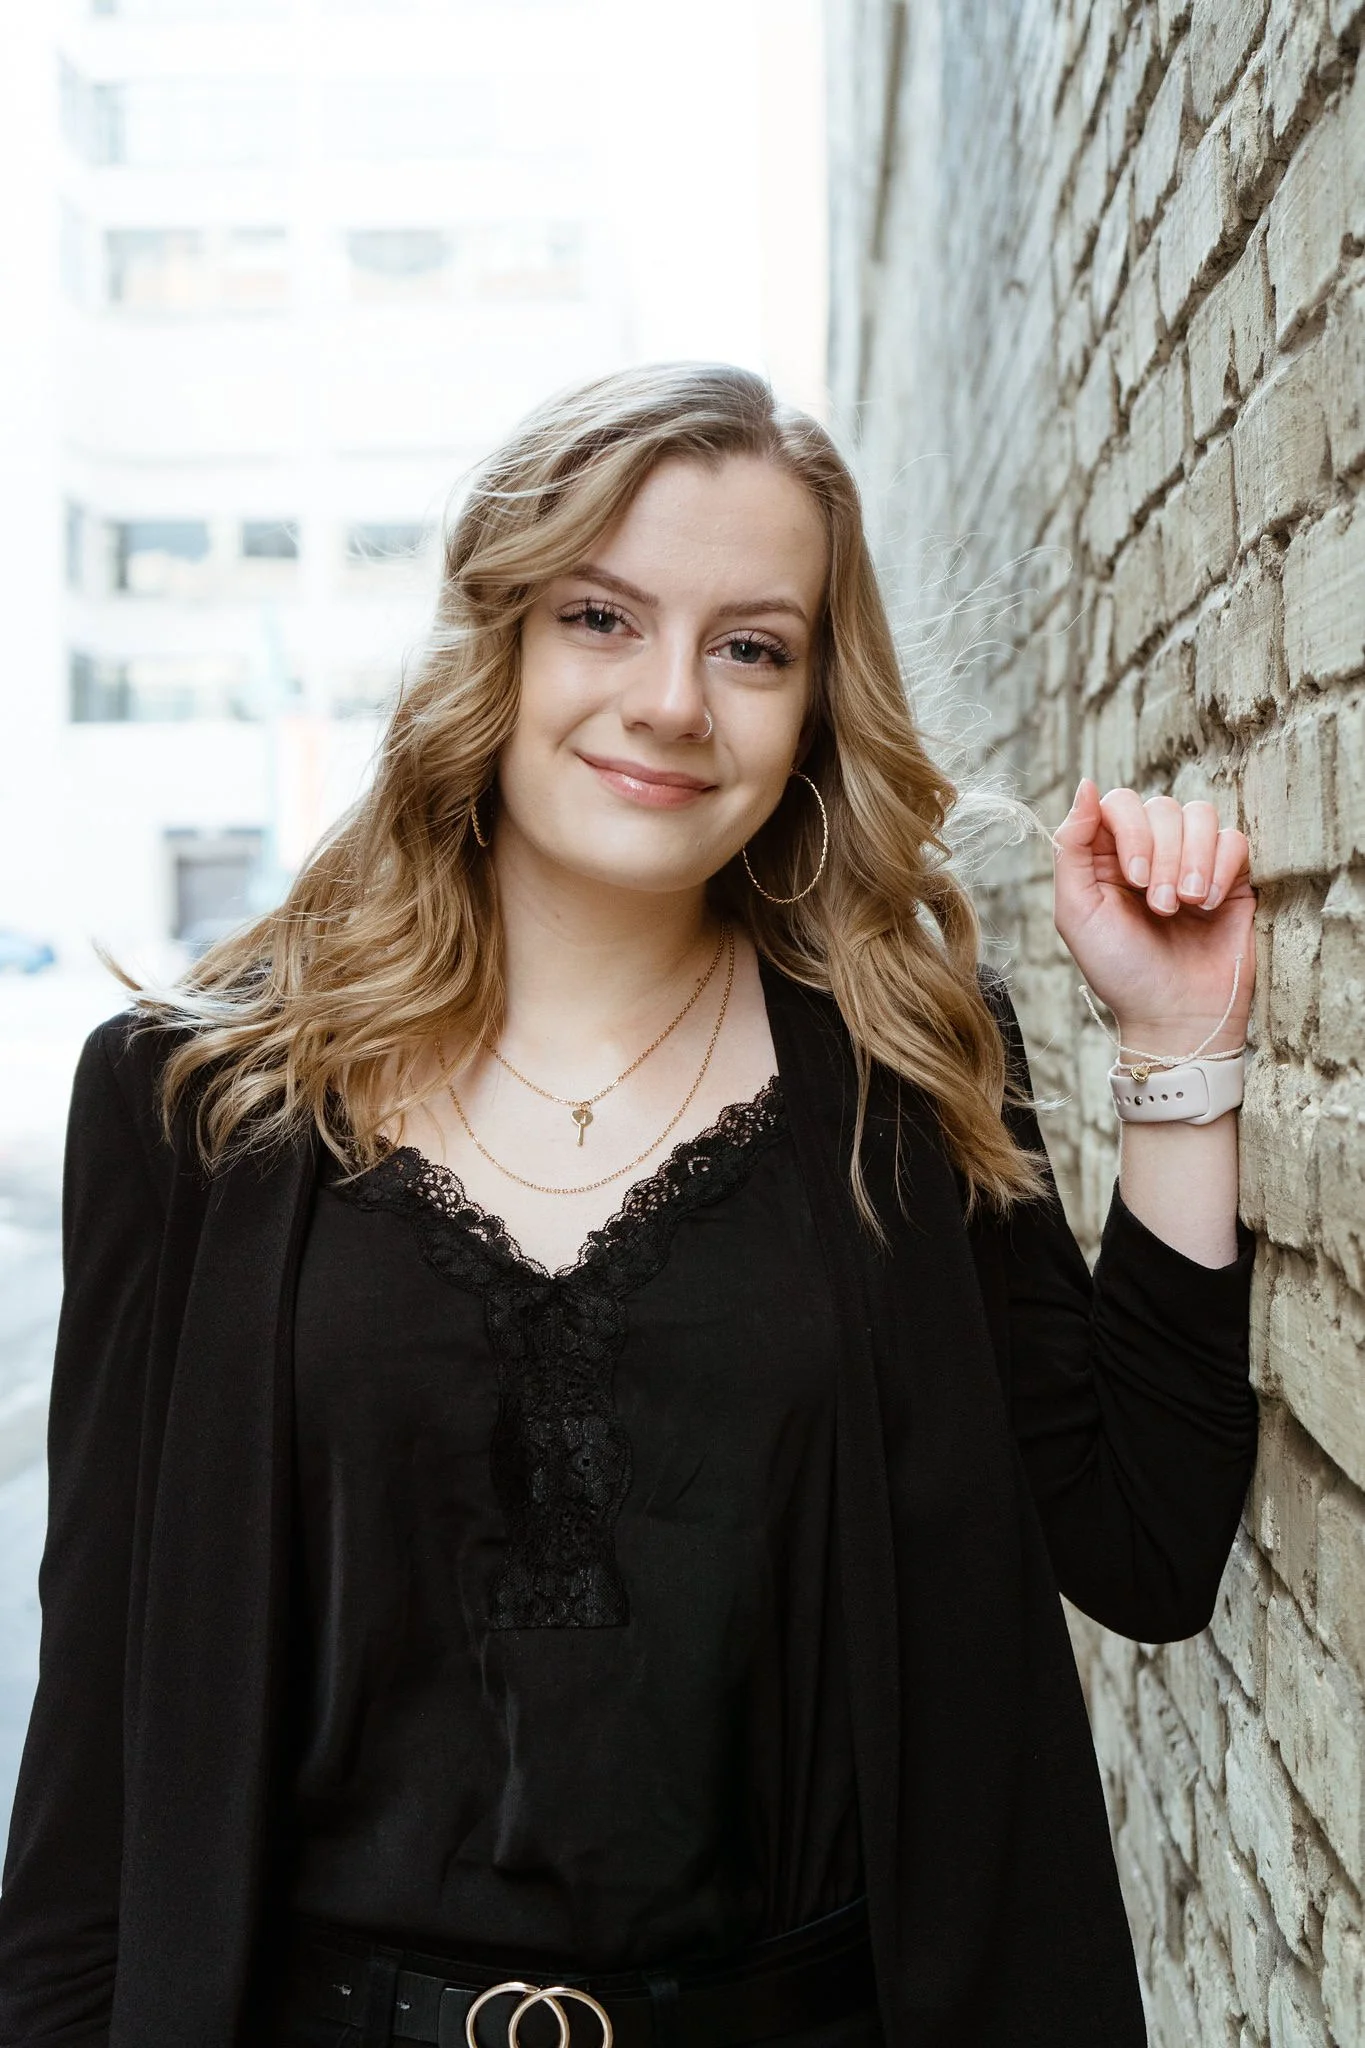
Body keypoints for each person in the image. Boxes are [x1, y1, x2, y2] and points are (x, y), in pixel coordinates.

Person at [0, 364, 1259, 2048]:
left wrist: (1180, 1048)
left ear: (813, 707)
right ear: (499, 639)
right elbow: (94, 1739)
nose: (673, 702)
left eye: (753, 648)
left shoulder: (902, 1073)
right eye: (602, 618)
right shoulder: (198, 1105)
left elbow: (1146, 1544)